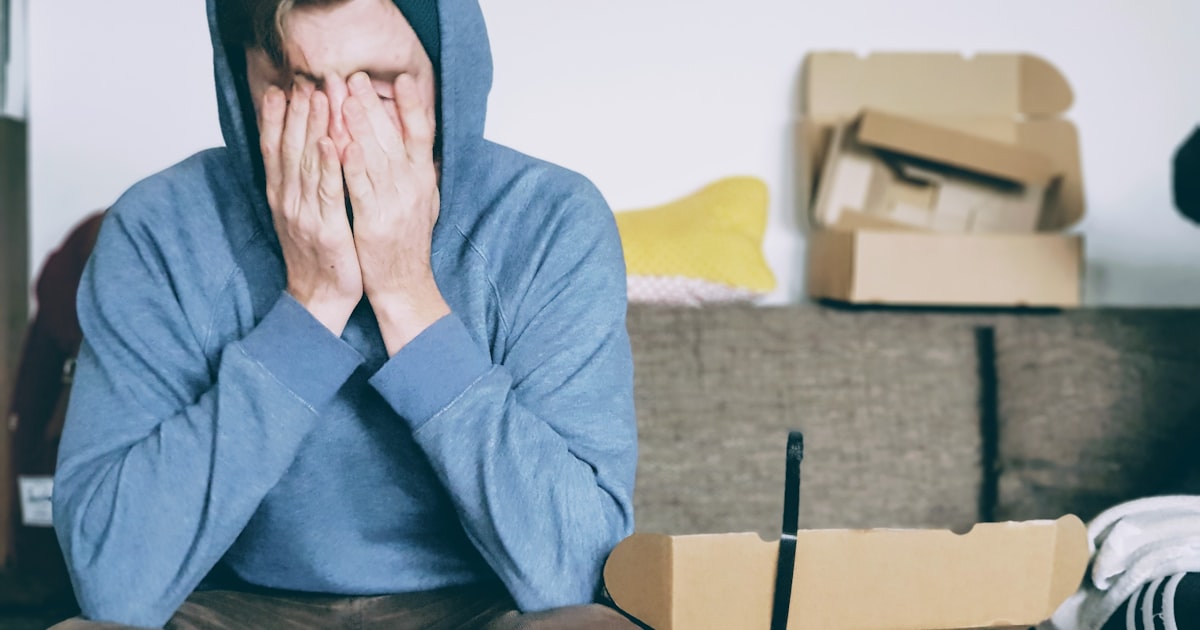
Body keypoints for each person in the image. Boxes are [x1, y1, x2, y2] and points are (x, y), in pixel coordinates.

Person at [49, 0, 639, 627]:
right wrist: (312, 304)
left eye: (379, 86)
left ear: (446, 73)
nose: (336, 132)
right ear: (241, 82)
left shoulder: (553, 219)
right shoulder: (157, 227)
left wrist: (406, 293)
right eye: (295, 86)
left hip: (483, 609)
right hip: (227, 609)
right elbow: (111, 581)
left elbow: (578, 572)